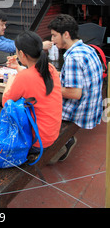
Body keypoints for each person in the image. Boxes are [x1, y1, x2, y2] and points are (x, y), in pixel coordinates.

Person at [0, 31, 62, 194]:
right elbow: (33, 77)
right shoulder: (48, 68)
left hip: (36, 141)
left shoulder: (25, 77)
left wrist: (11, 80)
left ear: (21, 54)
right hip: (51, 132)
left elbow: (6, 102)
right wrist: (18, 67)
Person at [48, 14, 103, 161]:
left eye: (54, 36)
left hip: (79, 111)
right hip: (92, 107)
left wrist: (48, 88)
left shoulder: (72, 57)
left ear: (66, 34)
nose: (52, 40)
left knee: (35, 103)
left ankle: (58, 143)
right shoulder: (87, 49)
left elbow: (74, 93)